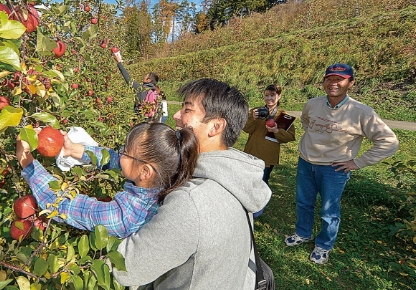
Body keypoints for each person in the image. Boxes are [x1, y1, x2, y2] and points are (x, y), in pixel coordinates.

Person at [113, 78, 272, 289]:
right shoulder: (236, 179)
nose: (176, 117)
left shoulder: (191, 201)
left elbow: (127, 268)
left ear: (215, 126)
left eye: (187, 110)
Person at [284, 63, 399, 265]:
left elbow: (389, 142)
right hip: (305, 162)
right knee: (304, 202)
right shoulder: (313, 104)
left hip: (334, 169)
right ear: (323, 82)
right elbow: (305, 122)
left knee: (329, 211)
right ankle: (303, 233)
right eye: (329, 79)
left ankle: (324, 245)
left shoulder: (361, 112)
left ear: (350, 83)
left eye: (340, 79)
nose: (333, 83)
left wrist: (358, 162)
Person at [16, 123, 198, 238]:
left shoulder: (124, 217)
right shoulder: (168, 176)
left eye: (125, 151)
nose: (120, 154)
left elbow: (62, 205)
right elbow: (112, 158)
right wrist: (72, 149)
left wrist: (26, 161)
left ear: (144, 172)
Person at [242, 84, 296, 217]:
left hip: (268, 155)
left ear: (279, 96)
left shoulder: (284, 116)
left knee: (262, 180)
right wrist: (252, 118)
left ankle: (258, 207)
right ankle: (245, 203)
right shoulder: (256, 111)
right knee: (247, 179)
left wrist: (277, 131)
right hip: (251, 152)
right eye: (266, 95)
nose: (269, 98)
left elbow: (290, 136)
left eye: (272, 95)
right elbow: (246, 129)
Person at [112, 49, 162, 122]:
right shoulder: (155, 91)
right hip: (151, 121)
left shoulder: (141, 88)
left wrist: (119, 63)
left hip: (140, 120)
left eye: (145, 76)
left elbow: (127, 78)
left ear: (149, 80)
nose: (143, 77)